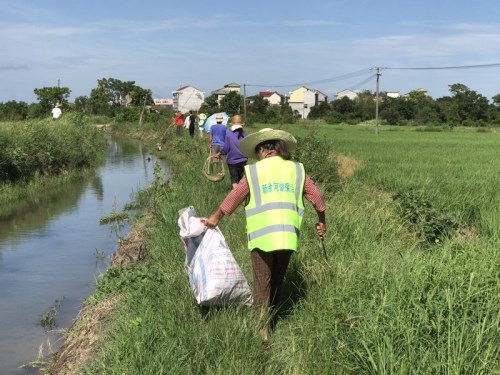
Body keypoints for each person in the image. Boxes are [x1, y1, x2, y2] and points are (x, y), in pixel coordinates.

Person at [205, 128, 326, 343]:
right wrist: (321, 222)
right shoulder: (298, 170)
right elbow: (317, 197)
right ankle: (273, 318)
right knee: (277, 280)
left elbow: (234, 197)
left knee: (262, 284)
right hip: (288, 237)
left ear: (262, 150)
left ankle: (263, 331)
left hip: (262, 238)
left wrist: (214, 219)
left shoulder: (253, 172)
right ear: (279, 149)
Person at [217, 114, 248, 189]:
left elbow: (226, 149)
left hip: (232, 162)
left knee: (234, 179)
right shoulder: (246, 135)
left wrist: (220, 153)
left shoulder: (229, 135)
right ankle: (242, 194)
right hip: (243, 160)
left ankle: (235, 195)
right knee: (242, 179)